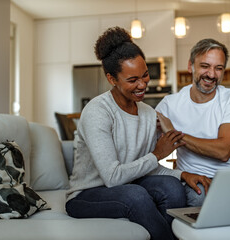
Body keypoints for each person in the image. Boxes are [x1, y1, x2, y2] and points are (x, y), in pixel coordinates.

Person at [65, 27, 187, 240]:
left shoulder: (148, 113)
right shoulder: (98, 111)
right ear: (112, 79)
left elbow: (146, 168)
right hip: (86, 195)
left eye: (145, 75)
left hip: (128, 184)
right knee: (136, 196)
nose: (142, 85)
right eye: (132, 80)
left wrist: (183, 175)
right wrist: (158, 153)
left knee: (173, 187)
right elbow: (112, 178)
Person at [156, 38, 230, 207]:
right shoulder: (169, 104)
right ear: (190, 66)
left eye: (218, 68)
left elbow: (223, 151)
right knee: (199, 197)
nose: (211, 74)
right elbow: (147, 148)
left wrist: (173, 133)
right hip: (196, 181)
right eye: (205, 66)